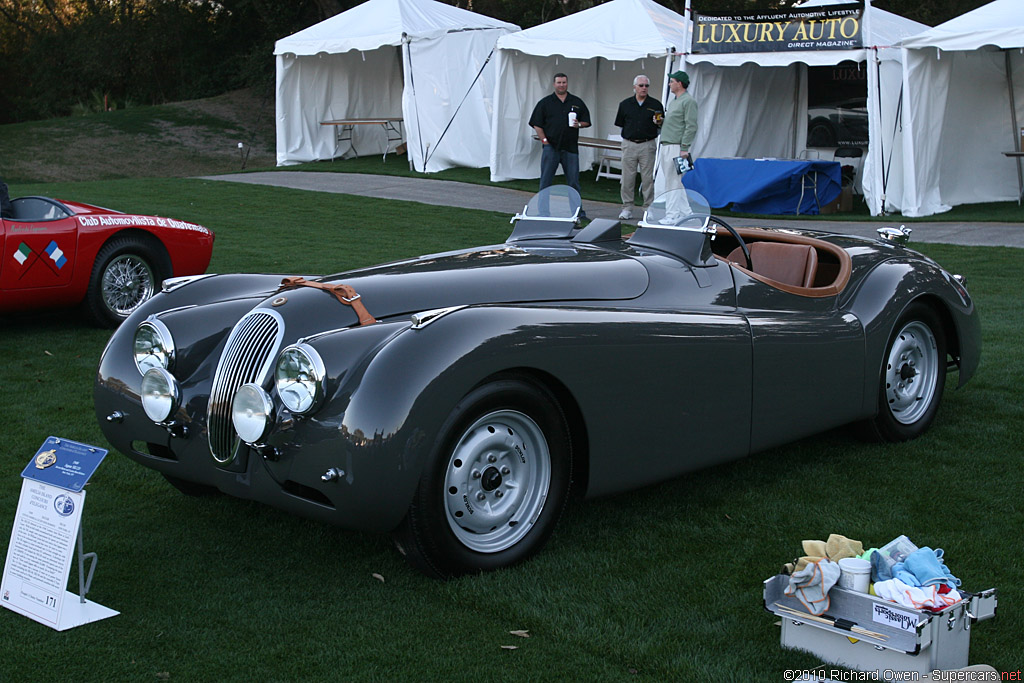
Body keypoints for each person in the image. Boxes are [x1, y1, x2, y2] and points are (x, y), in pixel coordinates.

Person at [529, 73, 591, 218]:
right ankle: (543, 212)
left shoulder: (576, 102)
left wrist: (579, 124)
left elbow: (587, 121)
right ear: (554, 84)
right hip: (551, 147)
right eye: (559, 82)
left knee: (573, 182)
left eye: (564, 82)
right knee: (545, 181)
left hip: (570, 148)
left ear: (567, 84)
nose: (562, 85)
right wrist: (544, 141)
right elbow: (536, 124)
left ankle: (577, 213)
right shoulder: (545, 103)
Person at [613, 75, 663, 221]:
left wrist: (658, 123)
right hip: (629, 143)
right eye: (641, 85)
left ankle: (648, 208)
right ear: (634, 87)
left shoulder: (655, 104)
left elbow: (660, 124)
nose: (644, 88)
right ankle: (627, 207)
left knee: (647, 178)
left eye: (646, 86)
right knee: (627, 178)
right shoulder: (625, 104)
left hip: (647, 144)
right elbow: (621, 123)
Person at [654, 71, 698, 223]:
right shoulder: (674, 101)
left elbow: (691, 125)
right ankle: (687, 213)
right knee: (675, 181)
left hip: (677, 146)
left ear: (679, 83)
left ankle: (672, 215)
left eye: (671, 81)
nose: (669, 84)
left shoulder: (688, 101)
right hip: (667, 144)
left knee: (673, 181)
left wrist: (685, 147)